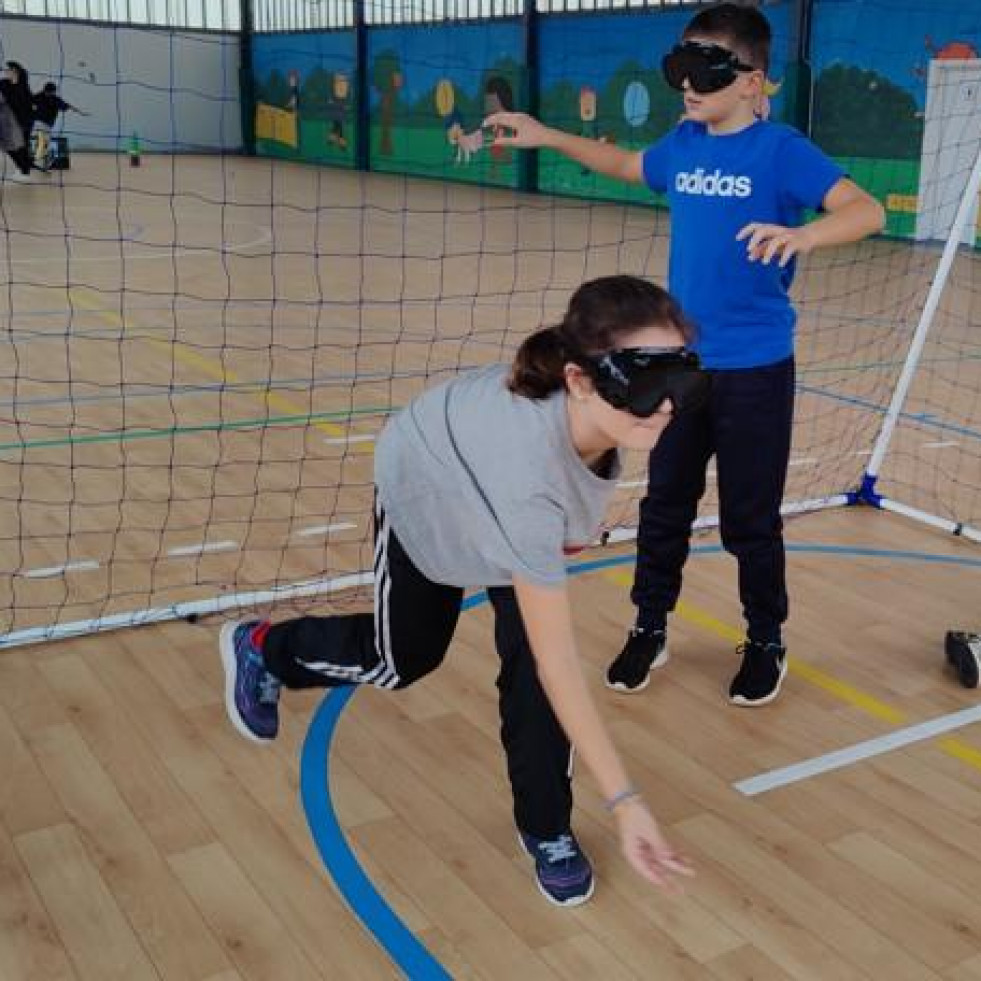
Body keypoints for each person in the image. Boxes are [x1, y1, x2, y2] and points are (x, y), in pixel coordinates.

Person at [219, 275, 702, 905]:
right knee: (406, 659)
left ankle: (546, 827)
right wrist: (626, 801)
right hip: (430, 484)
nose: (666, 405)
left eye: (682, 380)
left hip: (497, 486)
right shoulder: (530, 479)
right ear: (581, 380)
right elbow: (564, 663)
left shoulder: (599, 425)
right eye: (645, 381)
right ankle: (266, 647)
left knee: (530, 670)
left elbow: (545, 660)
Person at [484, 2, 885, 708]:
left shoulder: (781, 151)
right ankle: (649, 624)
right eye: (679, 70)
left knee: (748, 520)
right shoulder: (683, 143)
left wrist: (804, 237)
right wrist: (545, 133)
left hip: (757, 369)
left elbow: (865, 209)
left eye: (704, 72)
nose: (688, 87)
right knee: (665, 505)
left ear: (755, 80)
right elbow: (624, 162)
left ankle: (765, 637)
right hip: (677, 368)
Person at [31, 82, 87, 170]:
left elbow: (68, 106)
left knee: (45, 143)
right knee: (43, 142)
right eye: (48, 92)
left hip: (46, 125)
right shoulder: (40, 96)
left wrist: (80, 112)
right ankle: (36, 160)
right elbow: (27, 101)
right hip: (39, 123)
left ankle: (42, 161)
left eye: (50, 92)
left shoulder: (54, 99)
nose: (49, 94)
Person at [0, 61, 34, 179]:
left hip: (24, 121)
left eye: (7, 70)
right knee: (7, 146)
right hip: (8, 122)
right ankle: (21, 168)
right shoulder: (4, 83)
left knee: (22, 147)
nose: (5, 72)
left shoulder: (23, 87)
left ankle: (25, 172)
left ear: (15, 71)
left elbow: (23, 103)